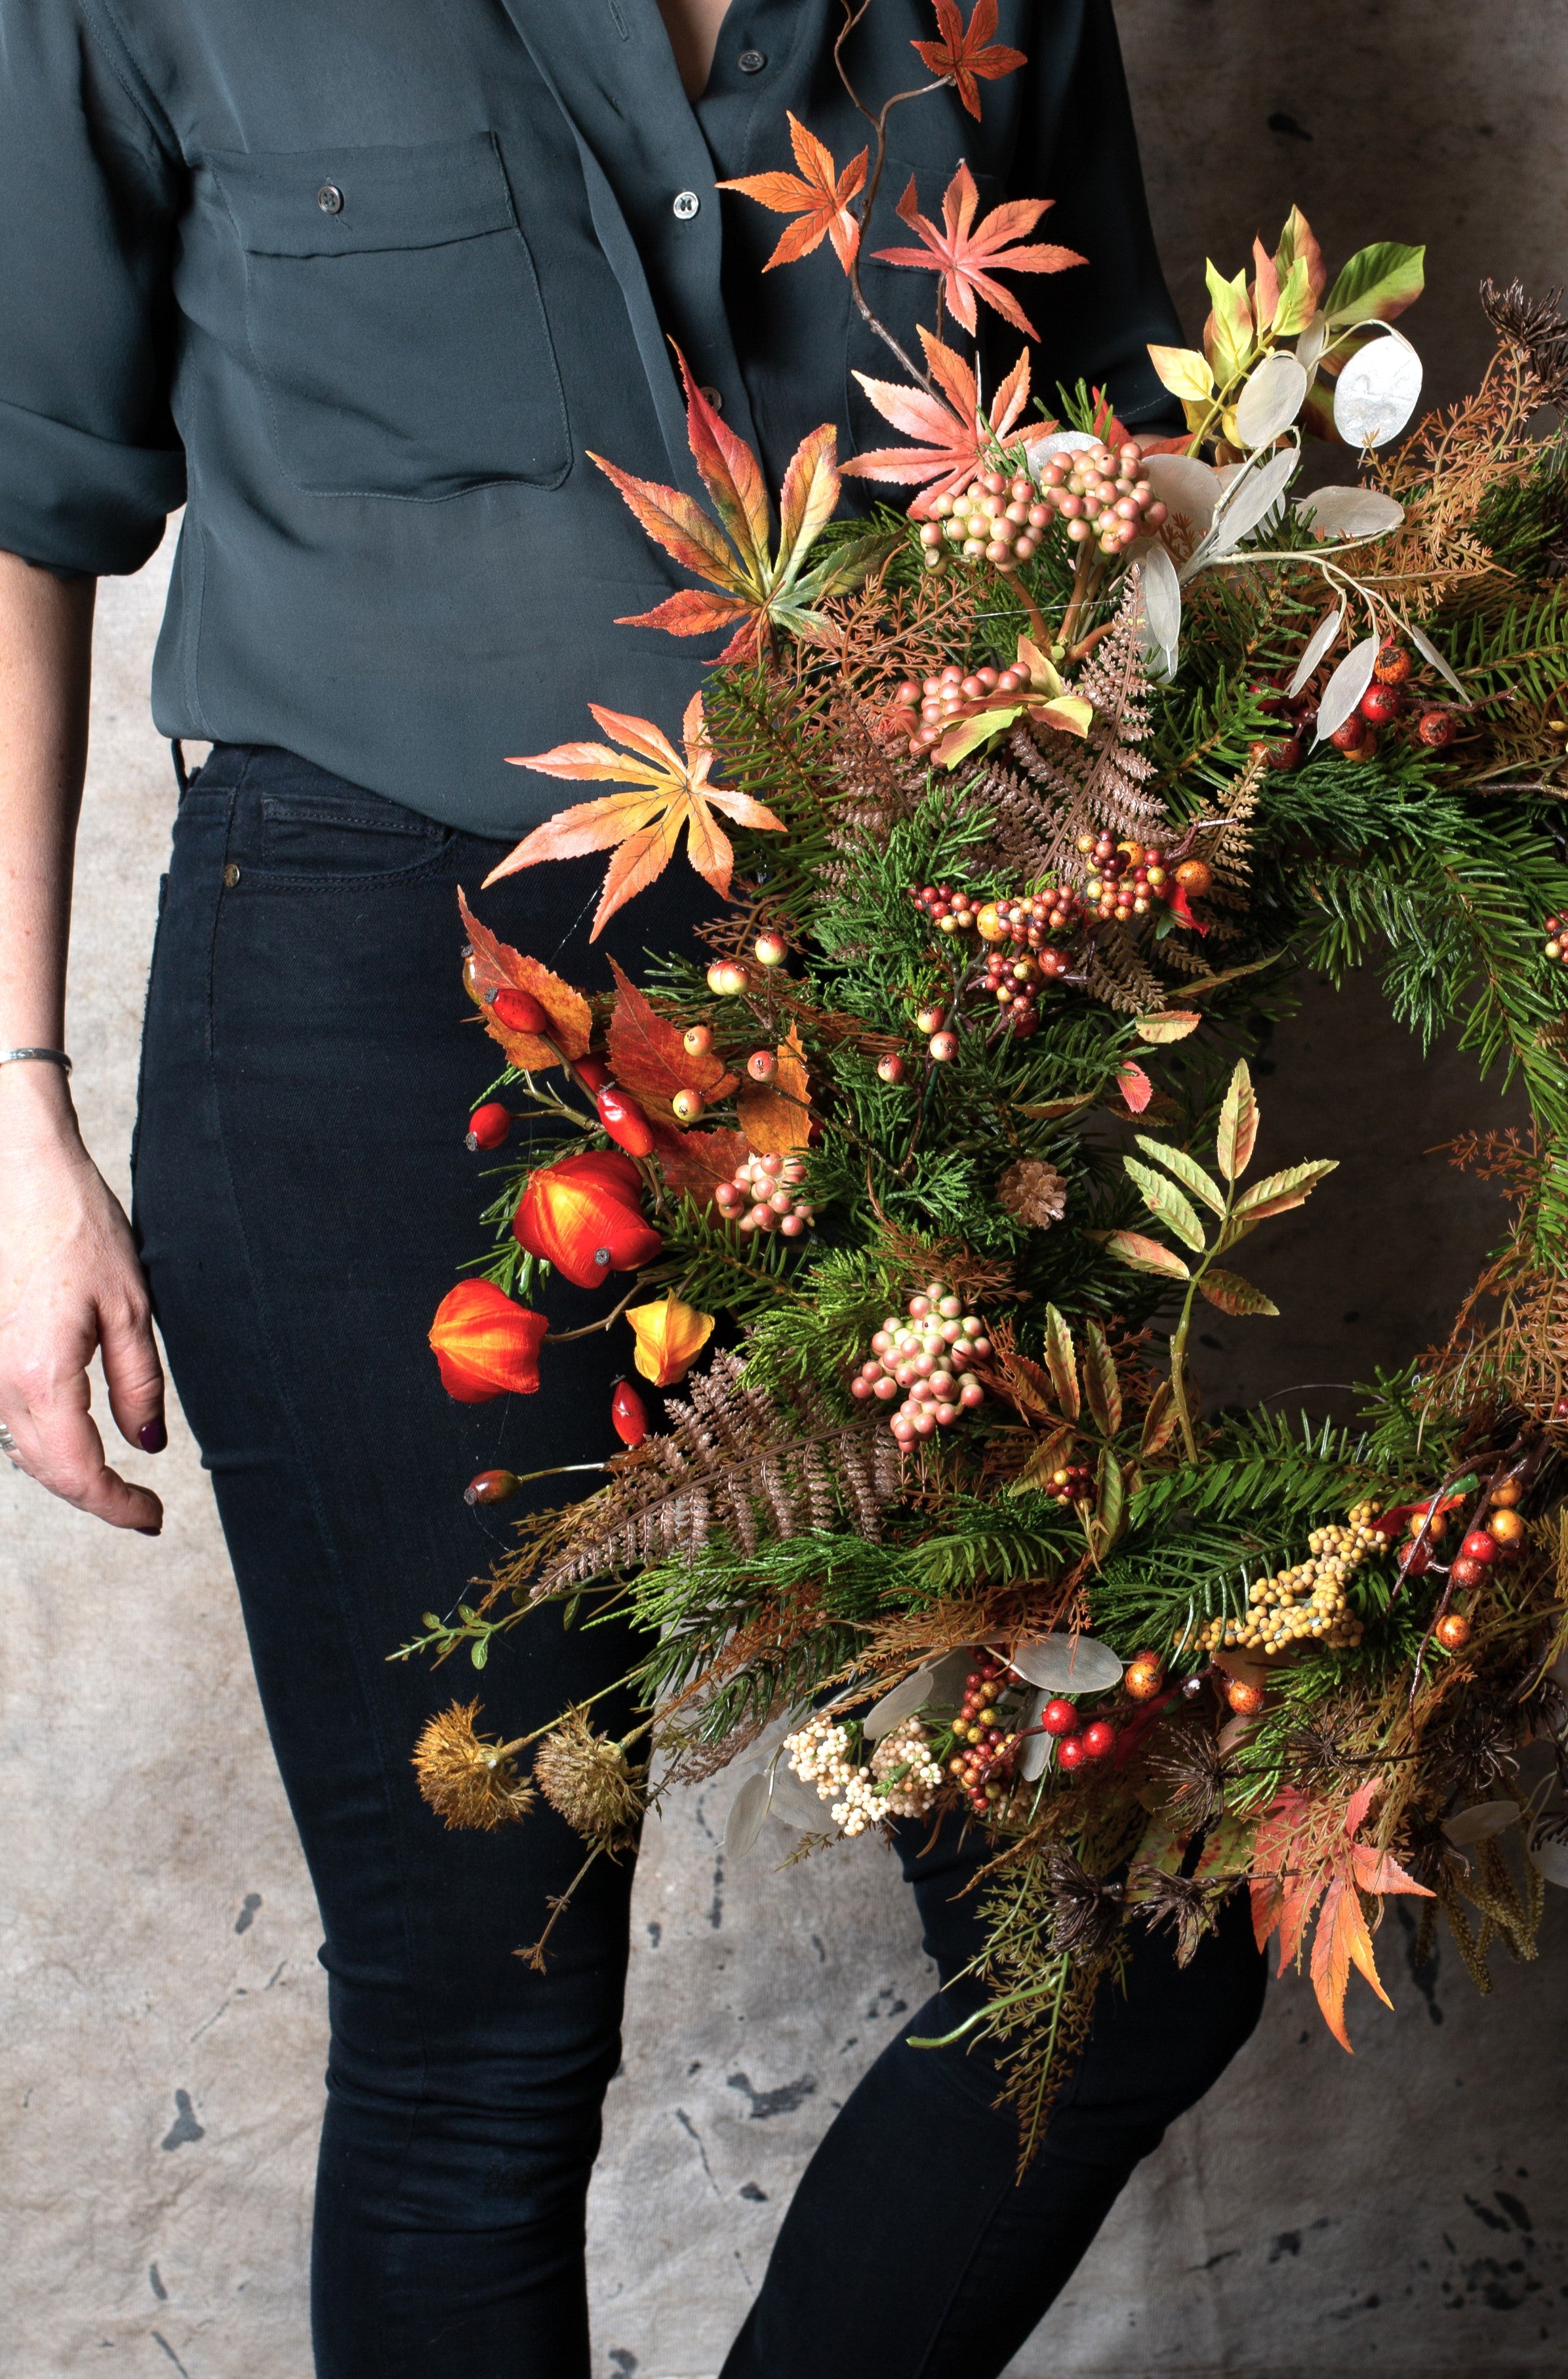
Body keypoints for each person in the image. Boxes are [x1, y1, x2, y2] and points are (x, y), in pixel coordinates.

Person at [0, 4, 1266, 2372]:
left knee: (1122, 1936)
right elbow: (10, 496)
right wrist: (14, 1114)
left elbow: (1134, 438)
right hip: (376, 1014)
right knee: (476, 2028)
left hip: (898, 1011)